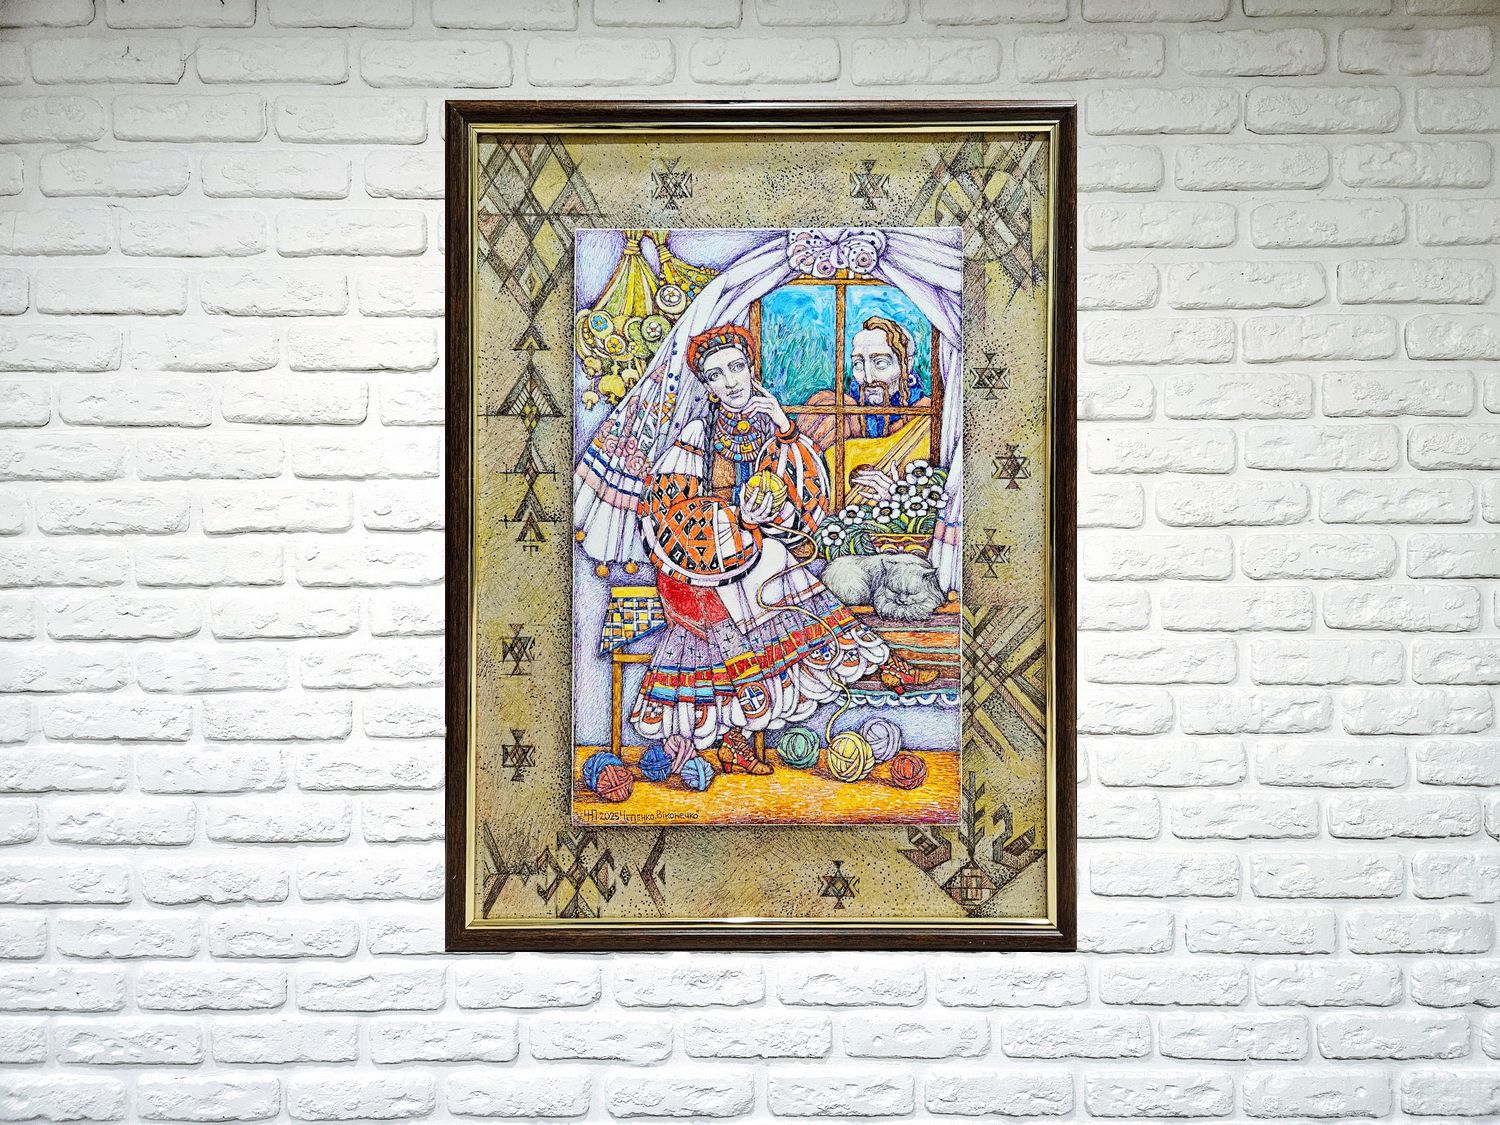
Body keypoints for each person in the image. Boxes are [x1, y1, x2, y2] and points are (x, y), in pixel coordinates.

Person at [628, 324, 928, 775]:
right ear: (706, 385)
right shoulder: (698, 433)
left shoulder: (771, 424)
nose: (731, 382)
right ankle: (737, 736)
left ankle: (877, 665)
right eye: (716, 375)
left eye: (736, 368)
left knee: (775, 562)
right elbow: (669, 510)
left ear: (751, 369)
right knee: (766, 572)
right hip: (696, 566)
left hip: (753, 551)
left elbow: (807, 494)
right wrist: (735, 518)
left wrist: (784, 429)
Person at [799, 314, 934, 503]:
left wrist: (897, 497)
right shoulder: (838, 411)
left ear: (907, 364)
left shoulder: (927, 416)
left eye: (880, 363)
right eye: (858, 364)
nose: (868, 378)